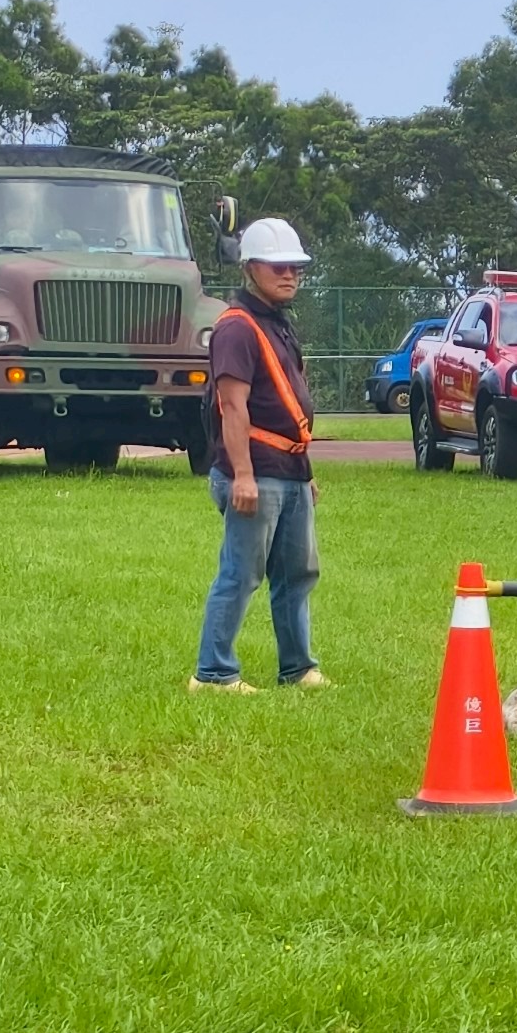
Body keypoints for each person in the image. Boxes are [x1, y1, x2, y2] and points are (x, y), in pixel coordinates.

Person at [190, 218, 327, 693]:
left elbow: (290, 402)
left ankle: (298, 668)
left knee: (297, 574)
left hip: (289, 471)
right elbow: (232, 406)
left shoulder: (278, 324)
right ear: (251, 268)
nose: (290, 275)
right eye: (279, 266)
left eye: (296, 268)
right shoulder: (237, 328)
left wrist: (303, 472)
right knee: (241, 575)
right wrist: (242, 475)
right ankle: (213, 674)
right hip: (255, 473)